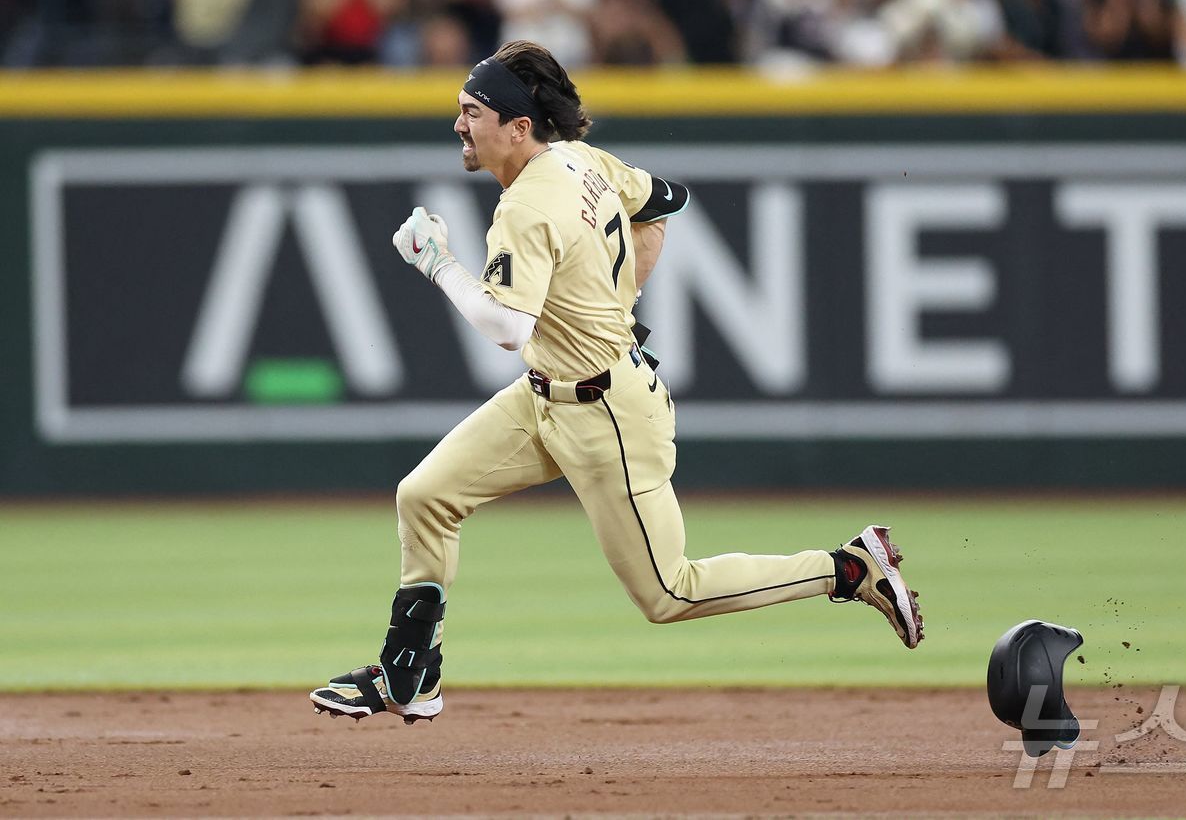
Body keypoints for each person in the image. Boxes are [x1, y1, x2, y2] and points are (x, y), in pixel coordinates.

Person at [310, 40, 924, 723]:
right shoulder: (582, 160)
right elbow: (663, 200)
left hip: (608, 414)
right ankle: (410, 674)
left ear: (519, 127)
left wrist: (437, 263)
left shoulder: (528, 204)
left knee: (670, 592)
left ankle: (847, 567)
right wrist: (615, 301)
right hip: (547, 393)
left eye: (472, 110)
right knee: (426, 494)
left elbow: (506, 327)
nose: (459, 123)